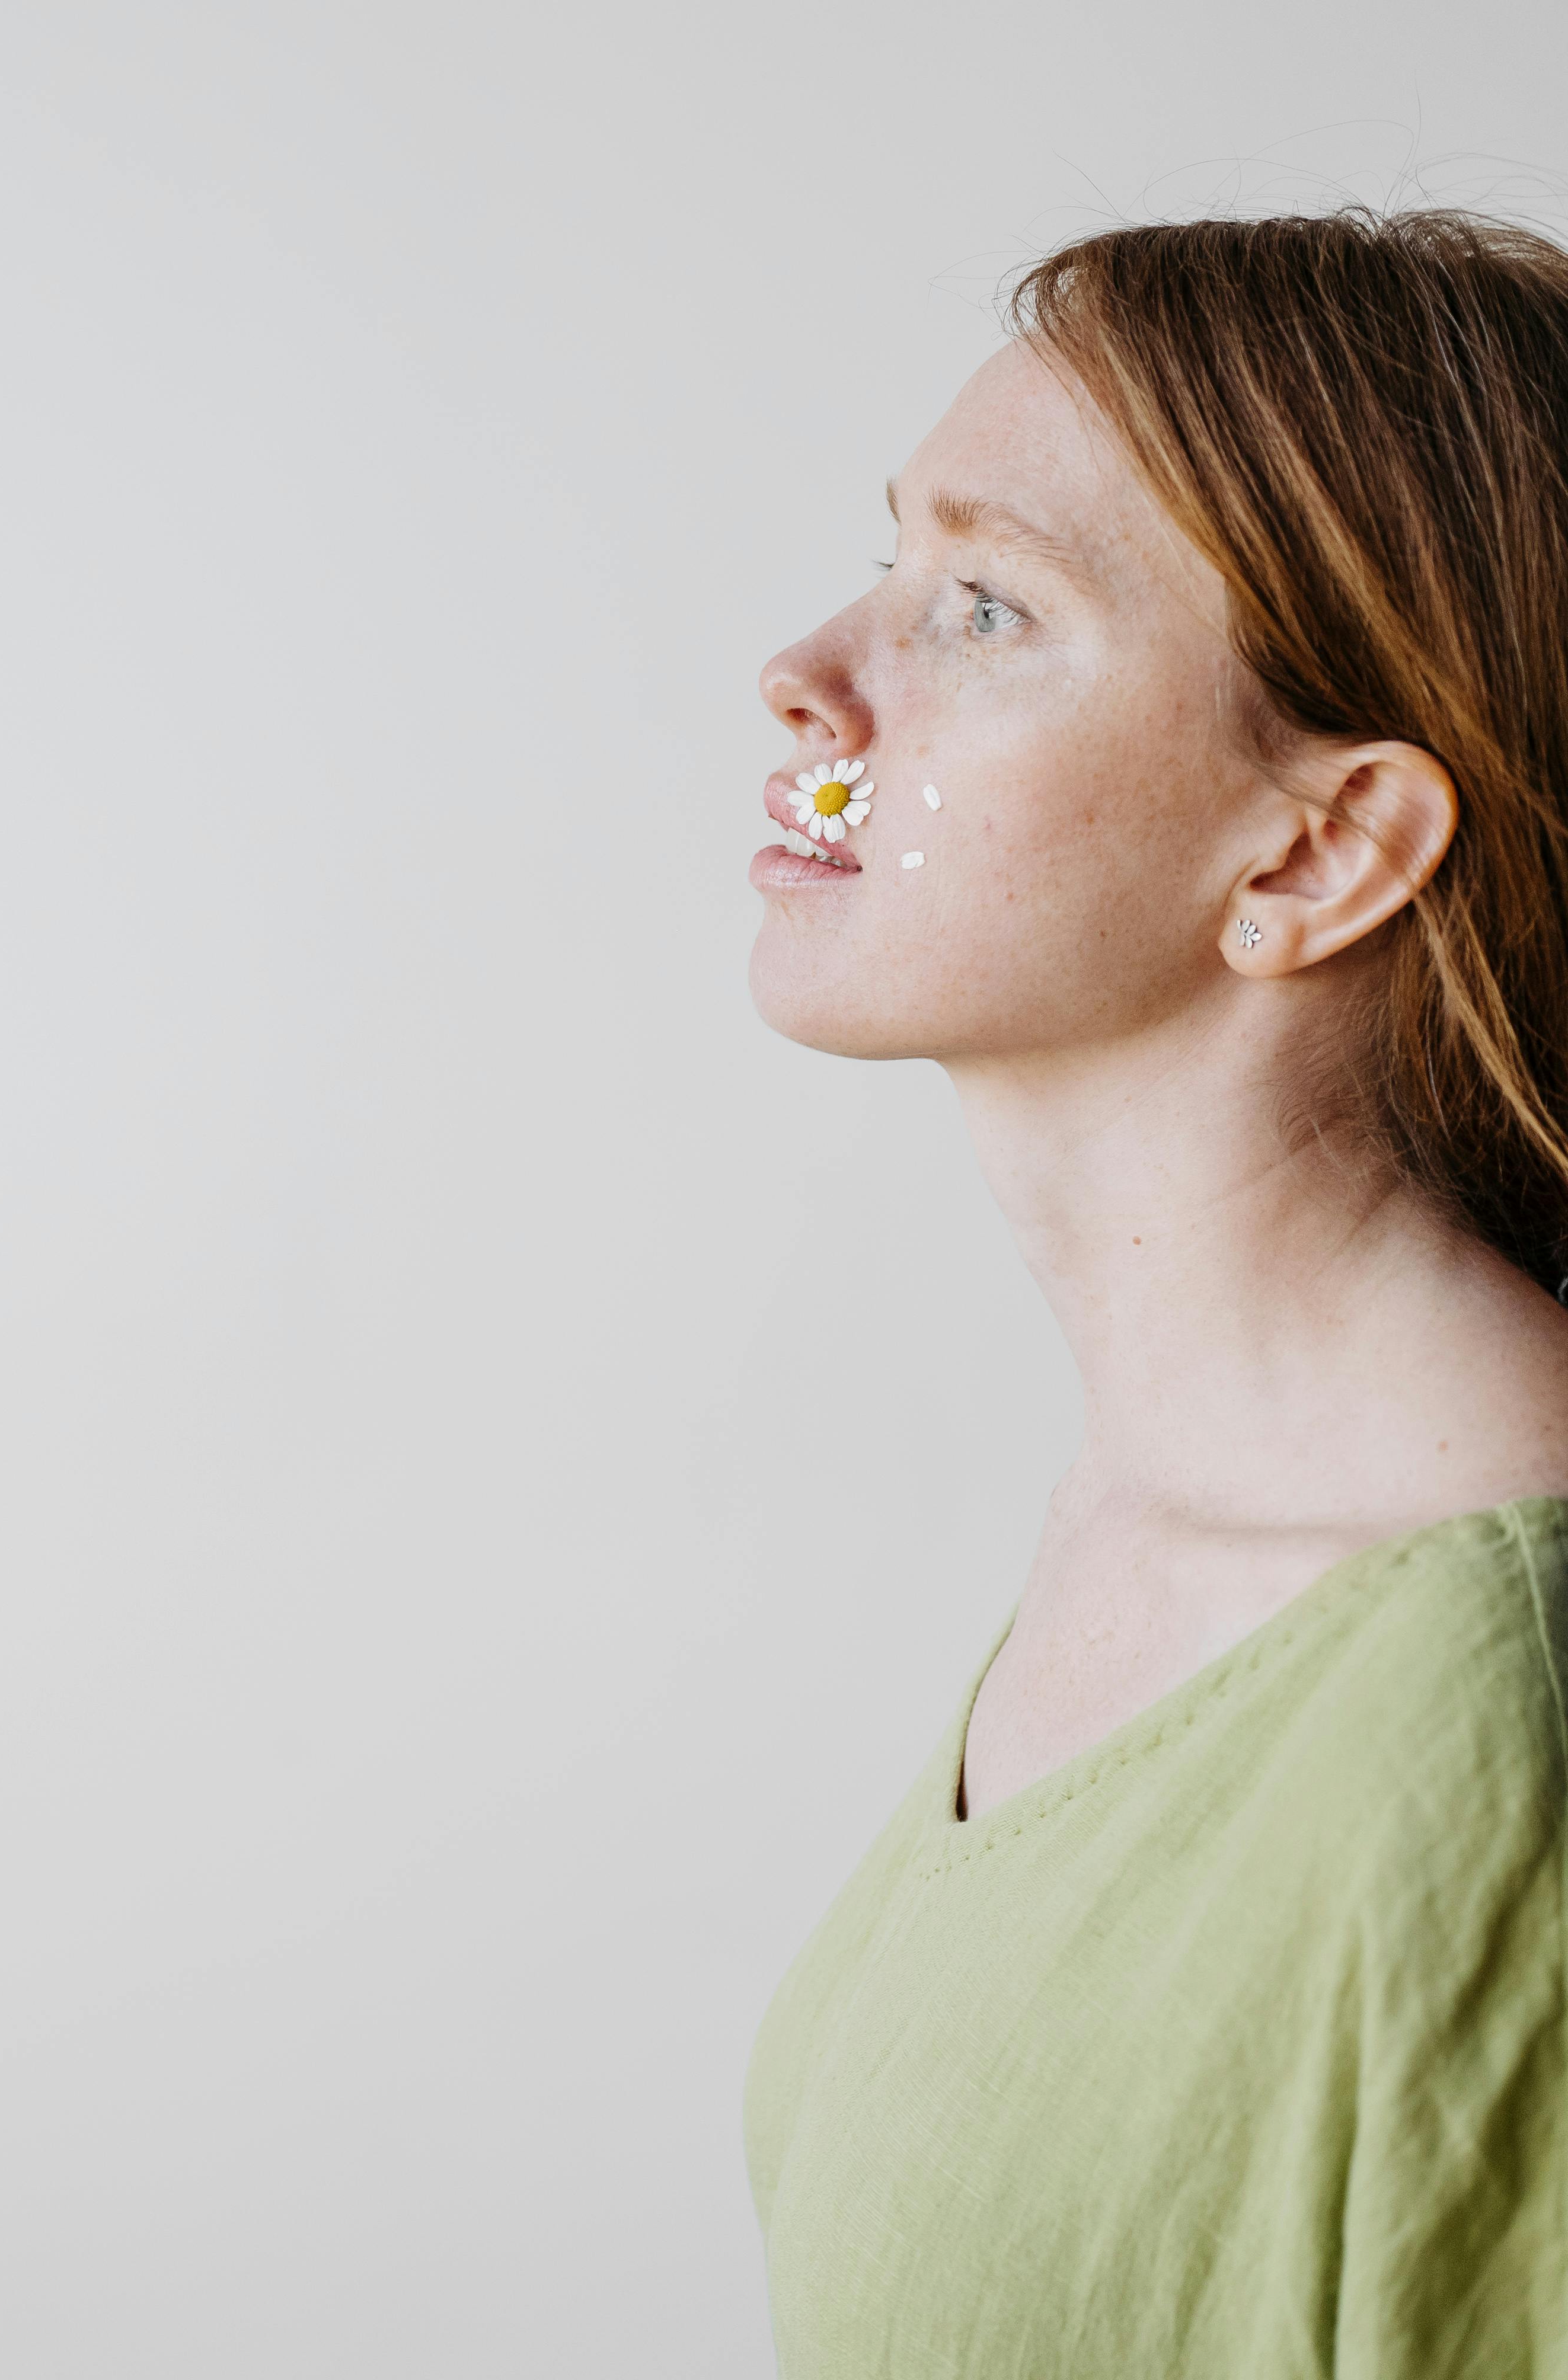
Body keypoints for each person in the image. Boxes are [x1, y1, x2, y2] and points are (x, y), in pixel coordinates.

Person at [741, 210, 1568, 2372]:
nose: (813, 679)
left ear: (1316, 854)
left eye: (985, 605)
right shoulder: (1154, 1516)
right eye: (898, 562)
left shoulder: (1494, 1723)